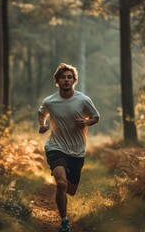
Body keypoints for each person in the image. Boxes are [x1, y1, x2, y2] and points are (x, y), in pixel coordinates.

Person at [38, 63, 100, 232]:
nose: (66, 80)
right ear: (57, 81)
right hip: (55, 147)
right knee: (61, 183)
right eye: (63, 77)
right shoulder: (50, 101)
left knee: (70, 190)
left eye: (69, 77)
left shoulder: (83, 100)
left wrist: (87, 122)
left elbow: (96, 117)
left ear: (74, 80)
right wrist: (43, 125)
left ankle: (61, 196)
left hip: (77, 150)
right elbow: (41, 112)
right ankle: (64, 221)